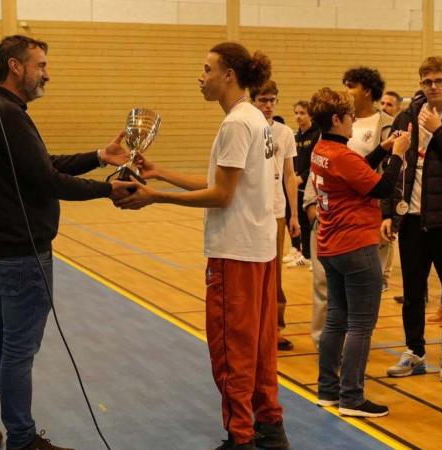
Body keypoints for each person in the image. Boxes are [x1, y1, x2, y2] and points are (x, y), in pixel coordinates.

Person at [0, 35, 134, 450]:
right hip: (20, 254)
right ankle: (20, 439)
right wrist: (108, 191)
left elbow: (43, 164)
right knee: (18, 349)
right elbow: (49, 181)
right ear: (16, 67)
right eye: (40, 65)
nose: (47, 73)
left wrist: (97, 155)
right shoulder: (10, 116)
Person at [115, 42, 288, 450]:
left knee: (232, 352)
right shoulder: (256, 119)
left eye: (206, 68)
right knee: (260, 349)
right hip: (259, 251)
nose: (201, 76)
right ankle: (269, 427)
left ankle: (240, 438)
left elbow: (222, 197)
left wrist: (154, 197)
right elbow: (222, 184)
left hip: (235, 254)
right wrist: (160, 173)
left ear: (228, 74)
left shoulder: (235, 124)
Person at [309, 87, 409, 418]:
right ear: (337, 119)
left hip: (330, 245)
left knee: (337, 318)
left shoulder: (321, 150)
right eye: (350, 116)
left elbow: (356, 175)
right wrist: (398, 155)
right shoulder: (343, 155)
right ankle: (352, 397)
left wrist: (380, 151)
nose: (354, 121)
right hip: (355, 245)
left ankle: (328, 391)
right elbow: (380, 187)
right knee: (361, 324)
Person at [383, 56, 442, 383]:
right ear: (421, 84)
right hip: (411, 218)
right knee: (412, 290)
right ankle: (415, 351)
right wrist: (389, 212)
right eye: (427, 81)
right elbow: (395, 166)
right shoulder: (408, 115)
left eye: (439, 80)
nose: (433, 87)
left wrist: (439, 132)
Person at [250, 80, 300, 351]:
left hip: (277, 212)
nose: (268, 105)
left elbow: (290, 176)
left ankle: (275, 327)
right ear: (252, 101)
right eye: (262, 100)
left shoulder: (284, 133)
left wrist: (293, 215)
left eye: (272, 100)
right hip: (251, 212)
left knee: (275, 272)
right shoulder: (246, 128)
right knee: (253, 271)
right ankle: (253, 326)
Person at [341, 67, 395, 292]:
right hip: (342, 208)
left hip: (372, 207)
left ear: (367, 91)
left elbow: (391, 169)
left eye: (351, 86)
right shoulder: (341, 120)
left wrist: (388, 211)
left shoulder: (386, 123)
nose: (346, 90)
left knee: (368, 283)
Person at [284, 100, 319, 267]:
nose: (298, 116)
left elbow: (314, 161)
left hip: (309, 183)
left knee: (309, 220)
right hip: (296, 184)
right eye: (296, 113)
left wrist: (303, 177)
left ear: (310, 115)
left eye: (302, 113)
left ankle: (311, 255)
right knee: (293, 215)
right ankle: (298, 249)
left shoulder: (316, 135)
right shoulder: (296, 136)